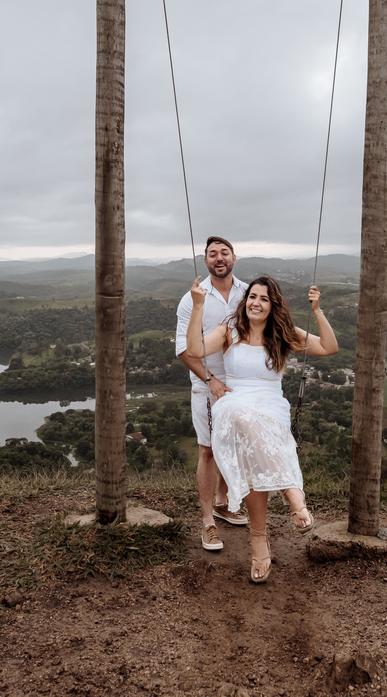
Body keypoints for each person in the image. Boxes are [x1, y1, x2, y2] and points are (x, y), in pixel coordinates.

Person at [186, 274, 338, 583]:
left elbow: (328, 347)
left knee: (256, 453)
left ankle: (259, 542)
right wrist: (198, 305)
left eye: (264, 299)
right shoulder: (230, 331)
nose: (256, 302)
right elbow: (194, 349)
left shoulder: (281, 333)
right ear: (246, 301)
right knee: (239, 413)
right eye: (253, 296)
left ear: (272, 306)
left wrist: (318, 310)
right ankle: (291, 493)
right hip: (236, 399)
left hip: (270, 405)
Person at [175, 236, 249, 552]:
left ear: (234, 257)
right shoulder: (192, 298)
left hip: (243, 384)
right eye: (212, 254)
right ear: (205, 261)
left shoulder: (249, 294)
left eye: (224, 252)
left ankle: (223, 502)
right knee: (207, 450)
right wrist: (211, 380)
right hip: (206, 386)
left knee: (233, 446)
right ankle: (208, 522)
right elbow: (183, 349)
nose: (219, 258)